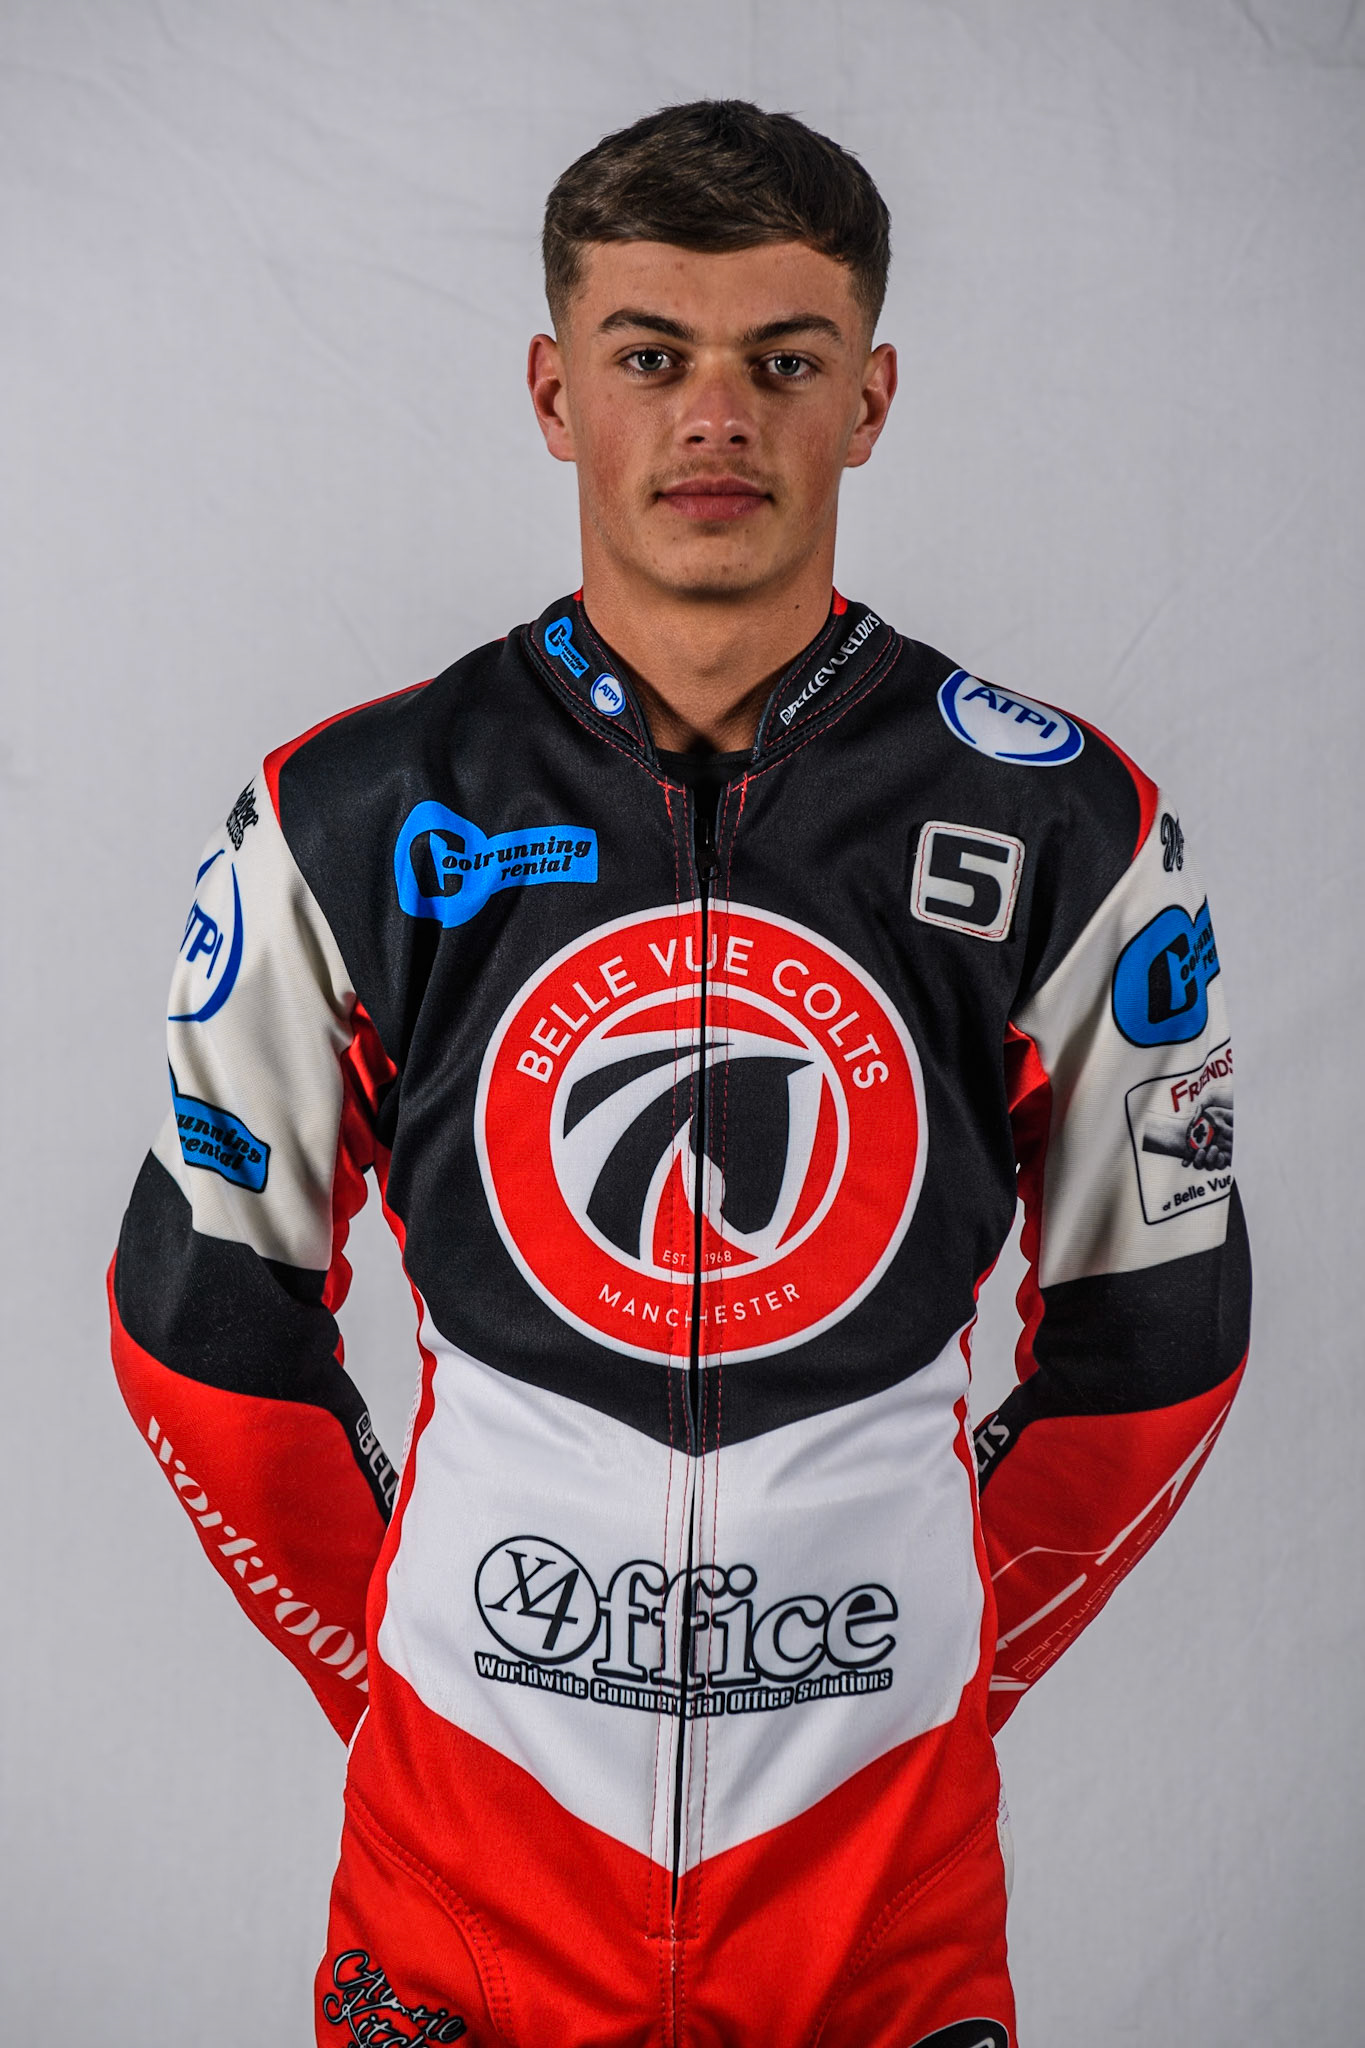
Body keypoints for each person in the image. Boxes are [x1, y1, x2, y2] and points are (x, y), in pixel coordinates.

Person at [108, 100, 1250, 2048]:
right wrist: (399, 1674)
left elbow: (1156, 1329)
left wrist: (935, 1659)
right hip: (463, 1888)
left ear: (867, 398)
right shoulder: (349, 811)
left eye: (778, 362)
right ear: (556, 392)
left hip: (873, 1898)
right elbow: (206, 1326)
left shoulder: (1060, 822)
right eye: (651, 356)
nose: (711, 415)